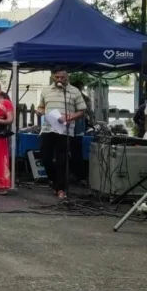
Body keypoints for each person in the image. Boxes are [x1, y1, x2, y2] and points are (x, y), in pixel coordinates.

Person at [36, 69, 87, 200]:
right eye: (57, 77)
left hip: (65, 130)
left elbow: (82, 110)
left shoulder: (74, 91)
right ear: (53, 77)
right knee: (45, 156)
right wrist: (39, 111)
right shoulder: (46, 90)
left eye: (62, 77)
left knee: (62, 159)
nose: (59, 79)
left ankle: (60, 188)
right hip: (48, 128)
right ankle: (54, 180)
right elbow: (41, 106)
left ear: (67, 77)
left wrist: (70, 117)